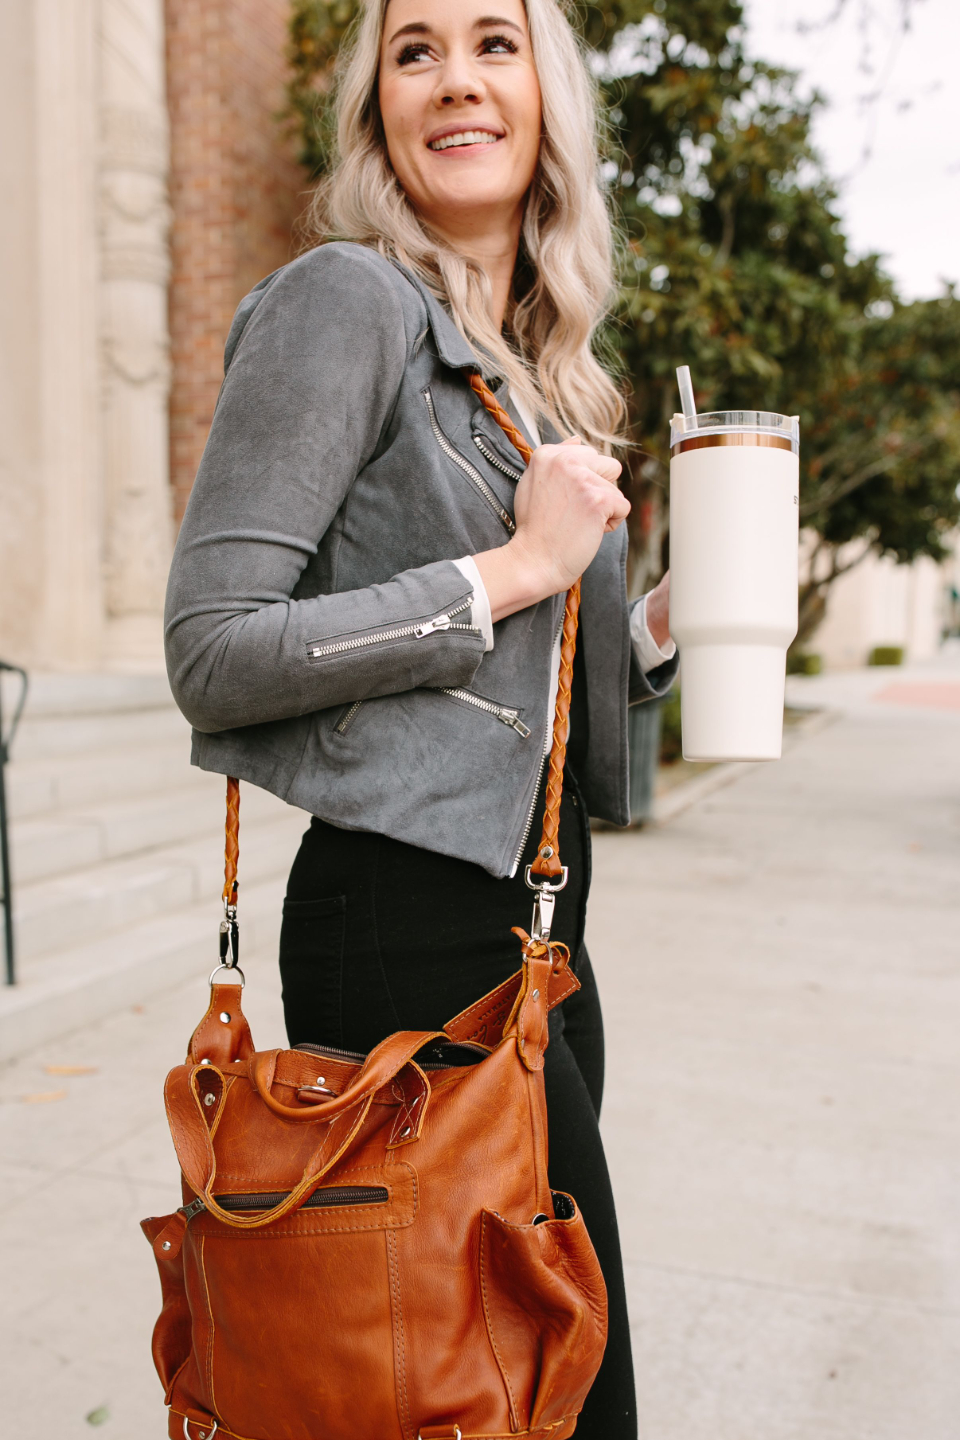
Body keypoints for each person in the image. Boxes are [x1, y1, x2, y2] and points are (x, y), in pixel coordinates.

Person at [164, 0, 678, 1434]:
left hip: (538, 941)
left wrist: (669, 620)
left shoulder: (531, 373)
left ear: (548, 91)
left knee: (535, 1393)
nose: (456, 79)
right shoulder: (346, 301)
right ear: (378, 105)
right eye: (415, 50)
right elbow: (213, 649)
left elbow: (559, 726)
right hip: (406, 928)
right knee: (500, 1401)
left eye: (494, 43)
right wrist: (512, 569)